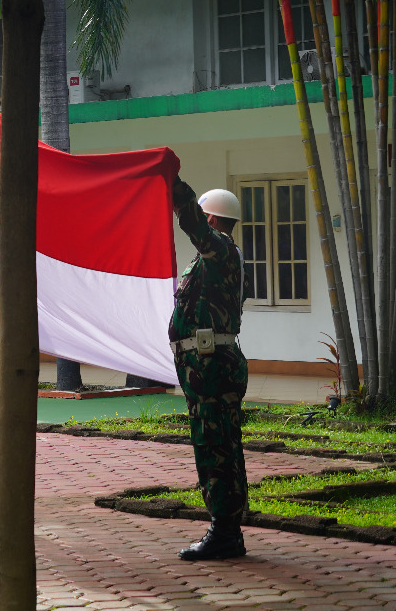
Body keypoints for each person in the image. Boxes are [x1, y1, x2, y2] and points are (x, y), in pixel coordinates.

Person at [171, 178, 250, 561]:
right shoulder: (217, 257)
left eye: (205, 217)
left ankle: (224, 530)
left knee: (215, 448)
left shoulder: (220, 251)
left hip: (212, 367)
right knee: (220, 446)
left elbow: (193, 226)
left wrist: (174, 189)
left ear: (213, 220)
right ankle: (228, 529)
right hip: (208, 368)